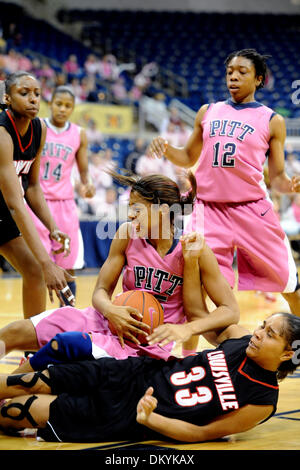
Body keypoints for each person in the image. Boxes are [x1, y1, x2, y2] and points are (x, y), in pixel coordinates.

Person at [0, 171, 239, 364]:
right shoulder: (126, 234)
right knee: (12, 333)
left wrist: (188, 330)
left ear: (163, 211)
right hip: (105, 320)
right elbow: (100, 292)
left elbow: (230, 310)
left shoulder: (193, 248)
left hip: (143, 344)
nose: (130, 215)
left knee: (59, 358)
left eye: (137, 208)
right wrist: (110, 310)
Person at [149, 48, 300, 316]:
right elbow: (187, 157)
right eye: (230, 72)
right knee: (193, 281)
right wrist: (167, 149)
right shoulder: (208, 111)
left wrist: (291, 186)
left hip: (252, 209)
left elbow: (276, 178)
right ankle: (188, 354)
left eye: (242, 72)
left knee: (288, 284)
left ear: (259, 79)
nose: (233, 77)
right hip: (209, 209)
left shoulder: (273, 120)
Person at [0, 310, 298, 442]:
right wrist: (194, 261)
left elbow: (201, 434)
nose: (258, 333)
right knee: (26, 381)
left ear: (287, 353)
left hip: (122, 416)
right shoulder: (239, 340)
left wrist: (150, 419)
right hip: (126, 373)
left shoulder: (262, 400)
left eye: (269, 334)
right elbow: (200, 310)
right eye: (262, 325)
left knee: (9, 412)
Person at [0, 71, 75, 319]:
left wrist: (52, 227)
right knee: (40, 267)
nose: (33, 99)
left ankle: (31, 353)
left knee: (33, 272)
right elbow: (14, 204)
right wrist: (48, 262)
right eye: (24, 93)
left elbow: (31, 187)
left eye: (37, 94)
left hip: (2, 211)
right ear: (7, 98)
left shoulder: (39, 128)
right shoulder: (2, 134)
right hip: (7, 207)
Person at [26, 86, 95, 304]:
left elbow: (83, 170)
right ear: (50, 104)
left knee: (69, 263)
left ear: (73, 108)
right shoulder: (37, 126)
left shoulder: (78, 134)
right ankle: (37, 318)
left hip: (65, 204)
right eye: (59, 104)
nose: (62, 109)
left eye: (68, 106)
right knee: (39, 263)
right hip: (37, 203)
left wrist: (87, 184)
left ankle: (69, 312)